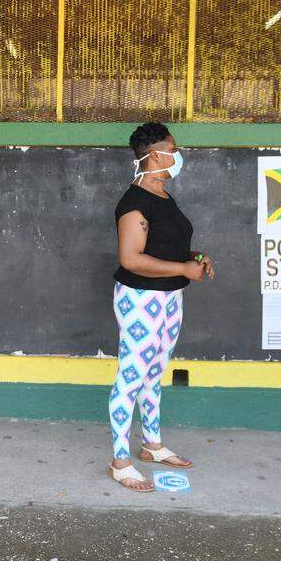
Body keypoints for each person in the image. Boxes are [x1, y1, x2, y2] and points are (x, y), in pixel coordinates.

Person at [109, 121, 213, 492]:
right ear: (155, 155)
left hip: (170, 297)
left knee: (154, 372)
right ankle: (121, 460)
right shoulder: (133, 203)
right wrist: (184, 268)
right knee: (131, 375)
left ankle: (151, 445)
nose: (179, 155)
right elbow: (132, 258)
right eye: (174, 148)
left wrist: (194, 258)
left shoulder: (164, 196)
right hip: (141, 298)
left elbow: (164, 245)